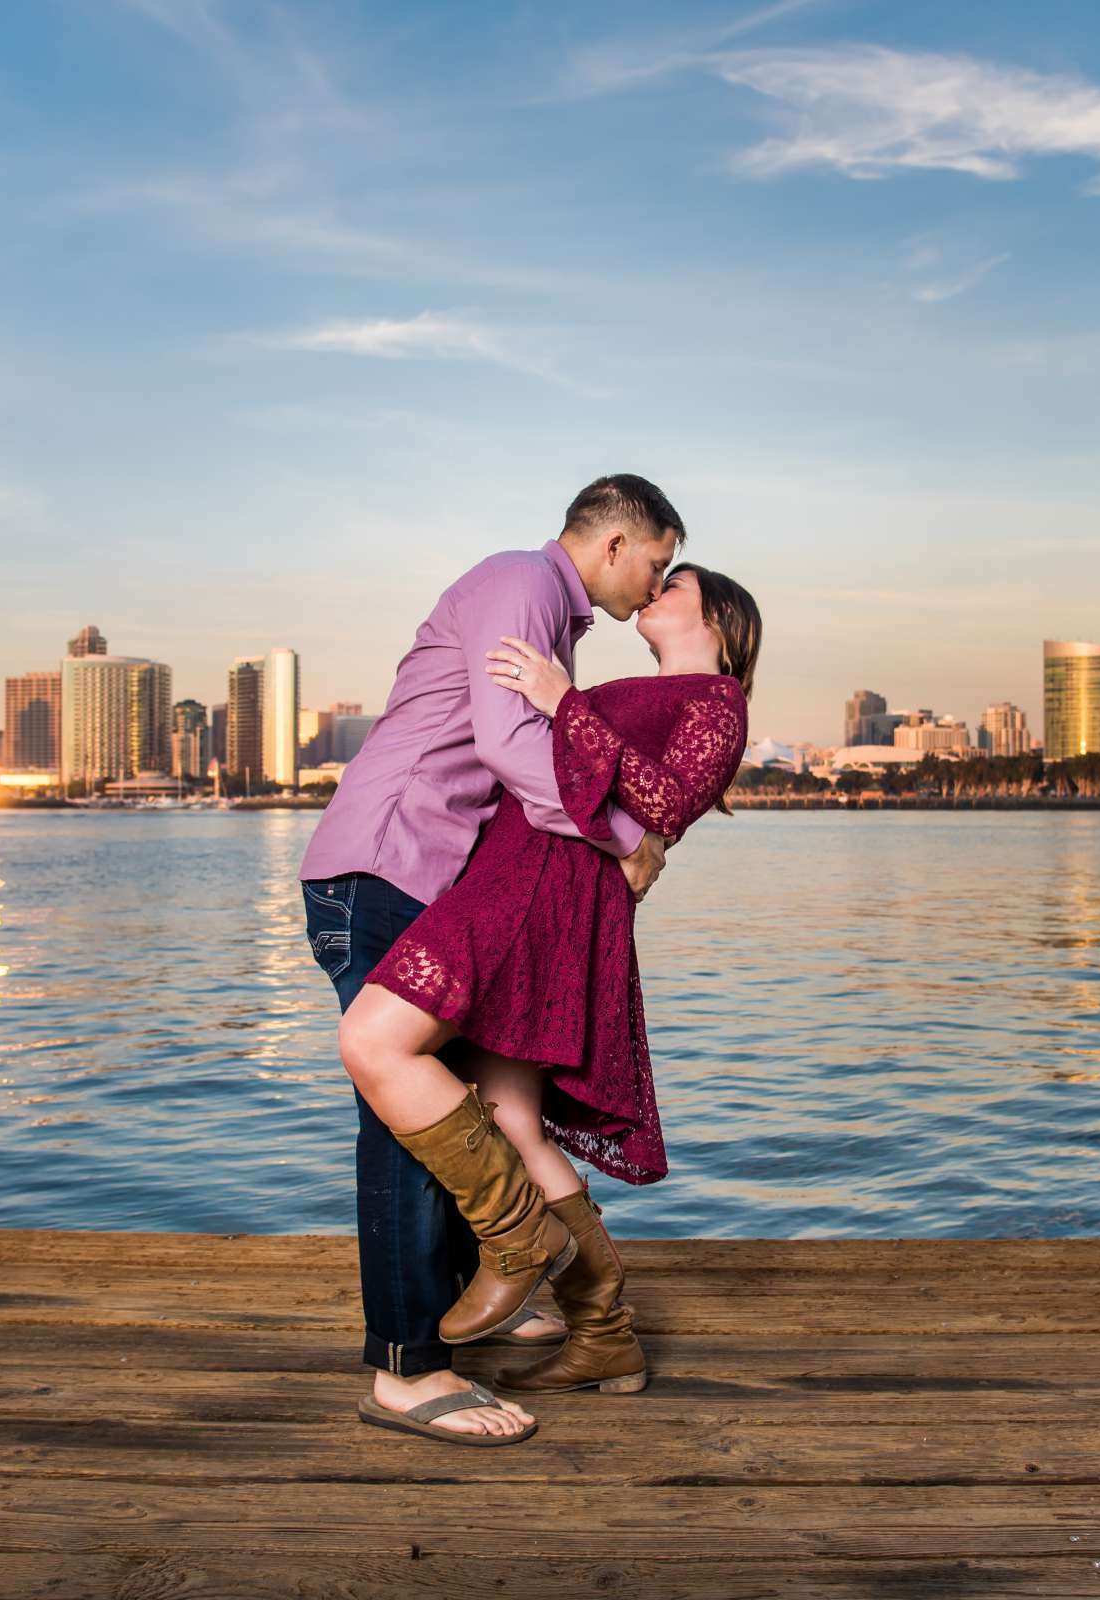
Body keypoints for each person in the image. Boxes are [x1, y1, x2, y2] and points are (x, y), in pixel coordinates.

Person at [337, 561, 759, 1445]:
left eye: (673, 583)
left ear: (718, 618)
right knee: (512, 1119)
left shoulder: (717, 701)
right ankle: (604, 1334)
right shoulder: (629, 687)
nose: (655, 591)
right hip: (516, 880)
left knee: (377, 1039)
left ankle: (519, 1241)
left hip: (541, 894)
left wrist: (565, 701)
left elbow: (664, 801)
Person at [299, 474, 681, 1445]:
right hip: (383, 868)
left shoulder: (550, 621)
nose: (655, 586)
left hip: (427, 882)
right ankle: (404, 1370)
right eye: (657, 563)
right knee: (398, 1112)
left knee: (442, 1106)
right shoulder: (520, 584)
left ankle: (469, 1298)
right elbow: (516, 751)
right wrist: (621, 832)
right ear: (616, 541)